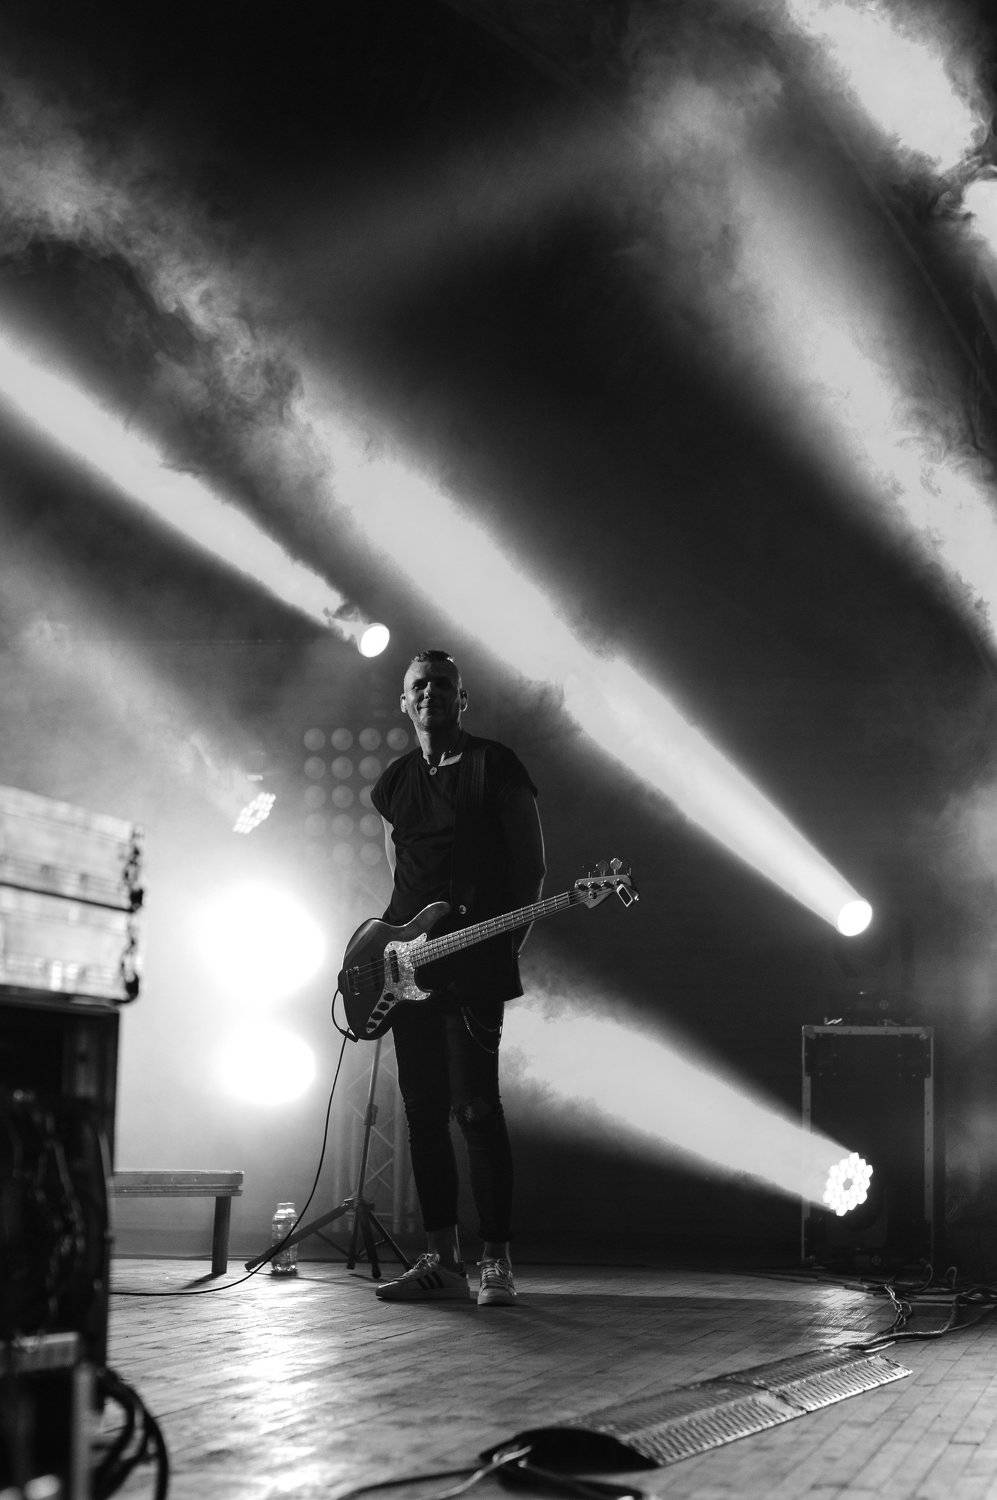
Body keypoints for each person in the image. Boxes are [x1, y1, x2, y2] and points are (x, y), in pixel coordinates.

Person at [369, 649, 545, 1306]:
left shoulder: (494, 766)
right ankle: (440, 1259)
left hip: (474, 966)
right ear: (404, 701)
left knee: (476, 1110)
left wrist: (501, 951)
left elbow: (530, 869)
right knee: (422, 1114)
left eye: (443, 684)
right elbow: (396, 873)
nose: (431, 693)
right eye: (420, 685)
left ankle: (495, 1260)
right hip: (408, 969)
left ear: (462, 699)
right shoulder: (394, 782)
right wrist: (392, 949)